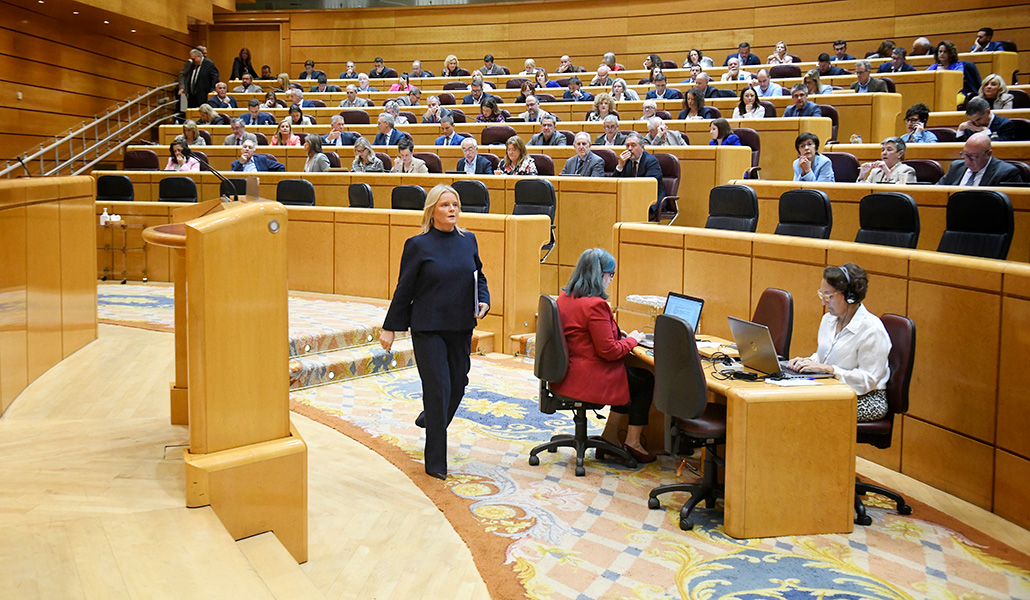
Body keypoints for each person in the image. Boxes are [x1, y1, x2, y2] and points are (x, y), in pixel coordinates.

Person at [381, 184, 491, 480]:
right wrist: (390, 327)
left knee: (458, 385)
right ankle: (436, 463)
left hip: (460, 326)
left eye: (455, 204)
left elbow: (478, 276)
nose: (452, 209)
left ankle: (431, 417)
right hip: (428, 328)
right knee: (438, 388)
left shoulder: (469, 241)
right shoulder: (418, 245)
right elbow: (404, 289)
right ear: (432, 211)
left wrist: (484, 299)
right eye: (445, 205)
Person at [553, 248, 655, 462]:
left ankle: (609, 435)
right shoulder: (596, 305)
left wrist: (618, 335)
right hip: (588, 378)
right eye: (611, 275)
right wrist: (633, 339)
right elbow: (609, 351)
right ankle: (633, 442)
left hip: (564, 374)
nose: (611, 280)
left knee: (629, 374)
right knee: (643, 380)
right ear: (600, 276)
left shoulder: (565, 297)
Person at [785, 264, 891, 423]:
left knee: (809, 411)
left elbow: (868, 380)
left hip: (867, 397)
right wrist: (807, 362)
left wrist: (830, 370)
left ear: (850, 296)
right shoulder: (828, 320)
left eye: (829, 296)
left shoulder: (872, 330)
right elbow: (825, 357)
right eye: (822, 294)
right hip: (833, 389)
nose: (824, 302)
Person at [938, 132, 1022, 186]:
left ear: (988, 154)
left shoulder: (1006, 173)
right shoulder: (956, 167)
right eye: (965, 155)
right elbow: (938, 192)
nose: (967, 160)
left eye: (974, 156)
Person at [614, 132, 665, 215]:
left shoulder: (651, 161)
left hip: (651, 201)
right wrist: (620, 166)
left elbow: (648, 187)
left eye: (633, 145)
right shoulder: (625, 161)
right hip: (632, 200)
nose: (629, 149)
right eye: (627, 146)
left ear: (642, 147)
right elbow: (615, 183)